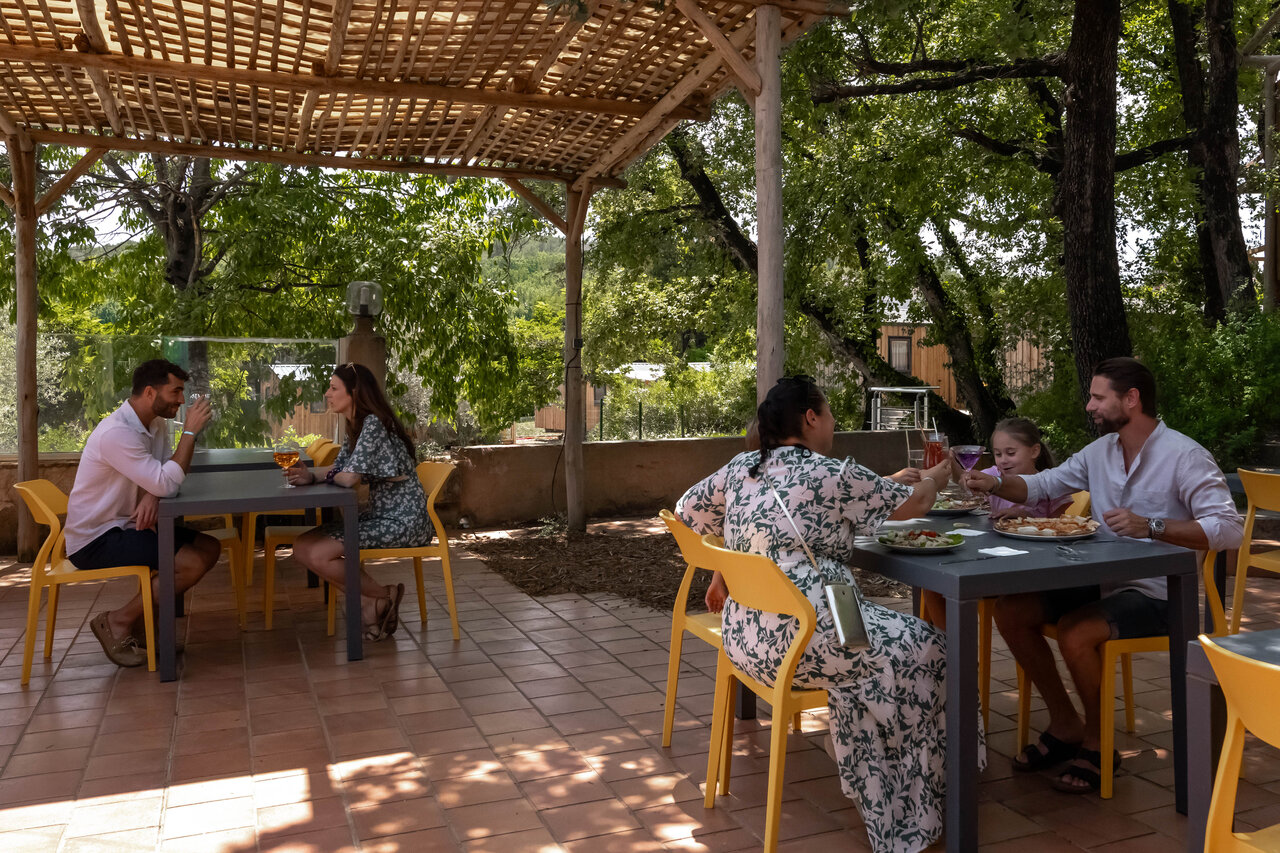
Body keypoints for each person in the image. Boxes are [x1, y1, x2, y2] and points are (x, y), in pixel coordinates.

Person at [677, 375, 978, 853]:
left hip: (750, 640)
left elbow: (686, 513)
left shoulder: (739, 468)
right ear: (810, 418)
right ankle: (926, 795)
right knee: (935, 648)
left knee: (875, 660)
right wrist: (937, 475)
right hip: (812, 636)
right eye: (830, 412)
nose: (834, 422)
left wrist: (727, 562)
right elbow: (917, 504)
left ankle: (889, 790)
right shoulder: (830, 473)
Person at [962, 357, 1243, 793]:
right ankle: (1065, 723)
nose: (1089, 405)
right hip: (1103, 581)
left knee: (1076, 631)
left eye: (1098, 397)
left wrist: (1153, 525)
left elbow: (1229, 529)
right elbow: (1042, 485)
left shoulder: (1184, 455)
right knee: (1011, 609)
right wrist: (994, 484)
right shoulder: (1100, 452)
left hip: (1160, 592)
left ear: (1131, 400)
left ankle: (1097, 743)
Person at [65, 359, 221, 668]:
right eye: (175, 391)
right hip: (96, 538)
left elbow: (167, 475)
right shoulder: (116, 434)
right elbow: (167, 478)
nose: (181, 399)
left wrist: (152, 492)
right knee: (191, 563)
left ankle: (142, 626)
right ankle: (119, 621)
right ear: (150, 392)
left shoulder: (155, 423)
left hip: (129, 524)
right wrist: (189, 433)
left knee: (210, 548)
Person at [285, 363, 430, 641]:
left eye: (333, 388)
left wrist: (331, 475)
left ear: (354, 392)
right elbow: (338, 470)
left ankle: (381, 597)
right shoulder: (357, 426)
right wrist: (308, 475)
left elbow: (349, 478)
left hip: (403, 521)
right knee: (302, 547)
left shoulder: (374, 423)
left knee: (317, 553)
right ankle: (373, 602)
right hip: (380, 517)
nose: (327, 393)